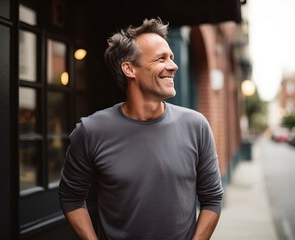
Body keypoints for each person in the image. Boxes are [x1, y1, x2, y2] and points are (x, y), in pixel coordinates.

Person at [59, 18, 224, 240]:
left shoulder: (197, 126)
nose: (173, 66)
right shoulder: (91, 131)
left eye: (172, 58)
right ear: (129, 68)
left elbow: (212, 199)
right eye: (161, 59)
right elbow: (71, 198)